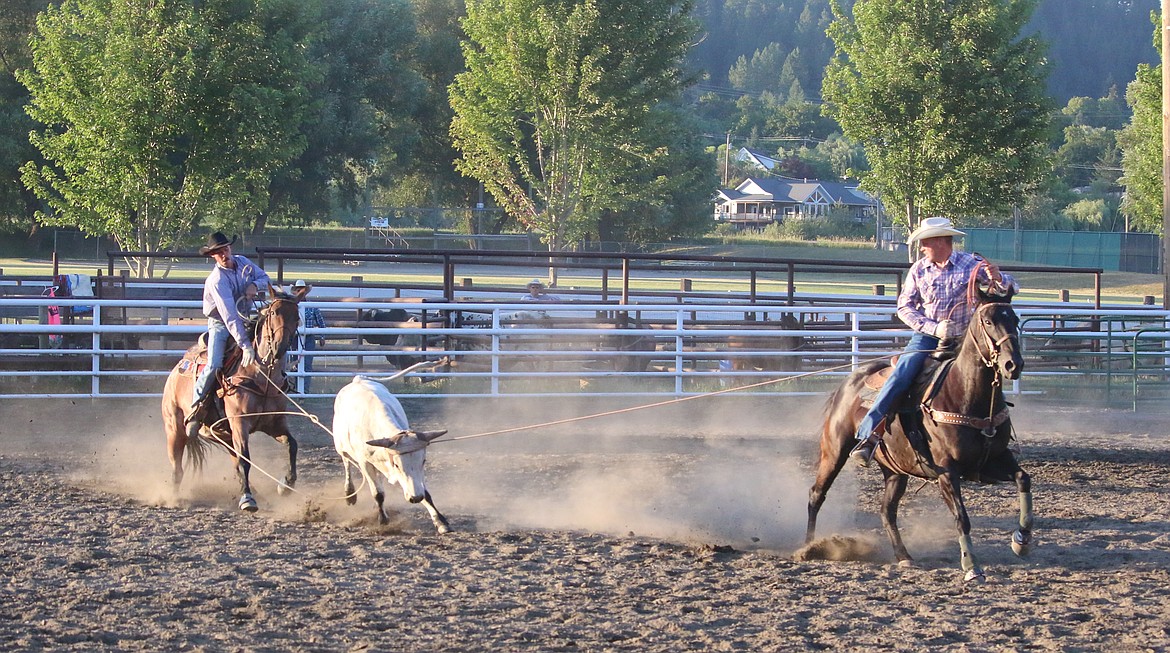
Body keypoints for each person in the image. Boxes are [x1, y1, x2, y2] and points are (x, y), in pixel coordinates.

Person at [849, 216, 1018, 467]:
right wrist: (935, 327)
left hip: (967, 339)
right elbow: (904, 307)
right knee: (902, 375)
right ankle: (869, 435)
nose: (922, 248)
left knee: (989, 376)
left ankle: (993, 433)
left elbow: (1008, 290)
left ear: (940, 241)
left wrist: (1000, 278)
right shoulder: (919, 269)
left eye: (925, 242)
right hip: (928, 337)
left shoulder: (971, 265)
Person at [187, 231, 270, 423]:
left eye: (225, 249)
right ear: (213, 256)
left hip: (245, 317)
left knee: (270, 343)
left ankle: (271, 391)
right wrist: (245, 345)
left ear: (230, 248)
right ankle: (196, 404)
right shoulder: (217, 280)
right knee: (214, 363)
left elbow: (266, 278)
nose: (224, 254)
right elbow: (229, 316)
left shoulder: (243, 262)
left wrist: (255, 286)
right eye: (219, 252)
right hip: (221, 324)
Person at [293, 279, 325, 392]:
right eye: (298, 290)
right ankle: (296, 389)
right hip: (295, 338)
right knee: (294, 364)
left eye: (302, 290)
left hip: (309, 338)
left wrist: (322, 336)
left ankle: (304, 391)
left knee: (307, 365)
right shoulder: (292, 306)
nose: (300, 292)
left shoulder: (312, 306)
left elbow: (321, 322)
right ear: (295, 292)